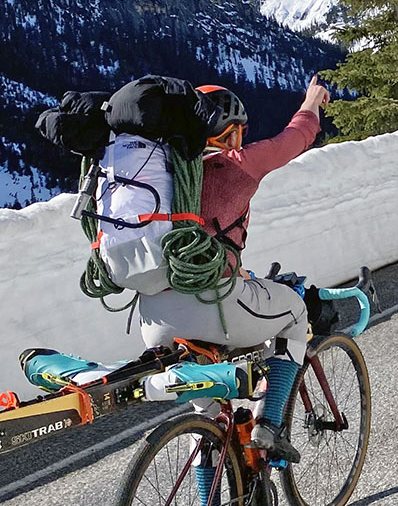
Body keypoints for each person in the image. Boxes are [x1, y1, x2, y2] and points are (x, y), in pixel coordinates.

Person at [136, 77, 331, 463]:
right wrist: (311, 103)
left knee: (209, 419)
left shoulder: (156, 175)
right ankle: (269, 424)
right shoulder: (236, 164)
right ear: (229, 133)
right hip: (213, 306)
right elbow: (294, 138)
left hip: (153, 319)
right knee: (295, 312)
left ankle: (206, 499)